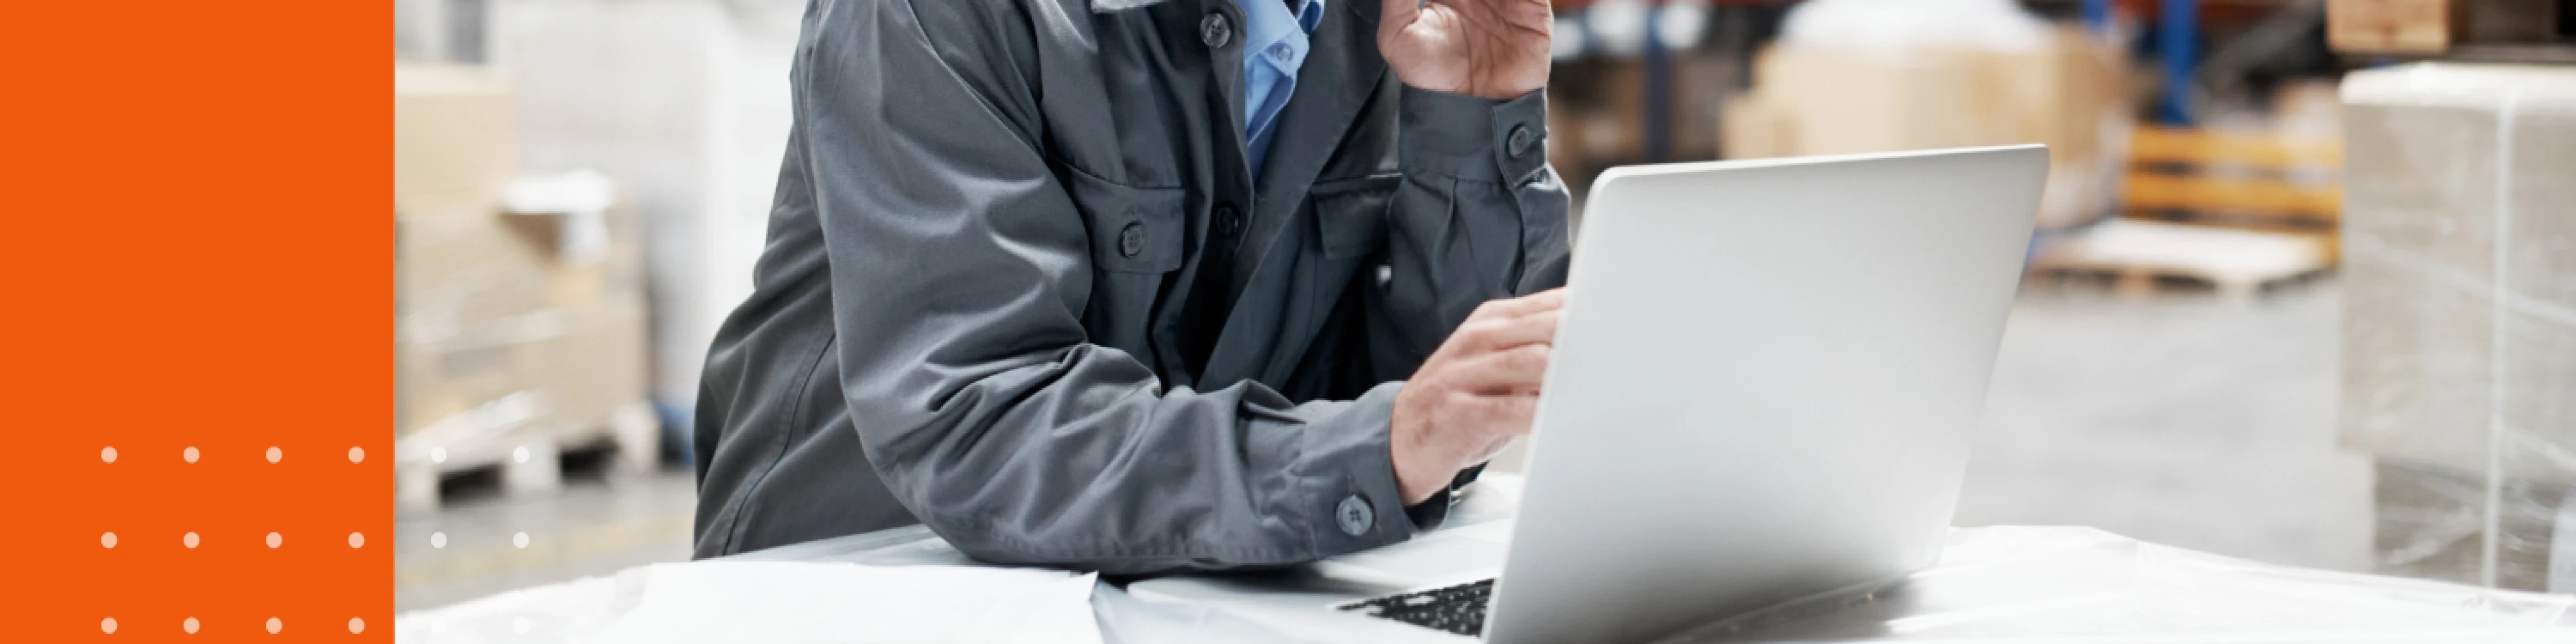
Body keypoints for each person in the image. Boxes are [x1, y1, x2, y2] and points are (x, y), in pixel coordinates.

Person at [690, 0, 1571, 575]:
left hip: (1164, 579)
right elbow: (979, 418)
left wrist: (1470, 119)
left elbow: (1405, 408)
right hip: (868, 581)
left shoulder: (1381, 24)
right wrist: (1371, 449)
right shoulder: (928, 14)